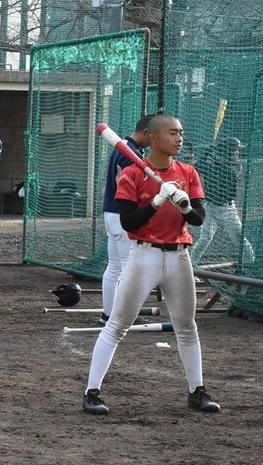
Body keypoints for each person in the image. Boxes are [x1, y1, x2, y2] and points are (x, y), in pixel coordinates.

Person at [82, 114, 220, 417]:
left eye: (181, 133)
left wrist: (184, 205)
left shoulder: (188, 172)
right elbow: (128, 221)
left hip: (179, 256)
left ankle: (197, 391)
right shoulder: (132, 174)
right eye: (173, 133)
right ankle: (91, 392)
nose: (179, 138)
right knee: (118, 324)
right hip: (143, 255)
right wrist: (157, 202)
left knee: (186, 325)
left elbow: (198, 219)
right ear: (153, 138)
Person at [100, 115, 154, 324]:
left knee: (114, 267)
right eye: (153, 137)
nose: (153, 142)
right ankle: (121, 317)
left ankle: (109, 313)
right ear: (145, 133)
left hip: (111, 213)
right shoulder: (129, 153)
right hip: (122, 214)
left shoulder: (124, 147)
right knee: (126, 269)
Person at [190, 136, 254, 266]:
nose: (238, 153)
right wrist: (207, 152)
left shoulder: (236, 166)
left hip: (228, 209)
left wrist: (216, 160)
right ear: (227, 152)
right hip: (209, 207)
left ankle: (252, 262)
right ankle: (192, 264)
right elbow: (195, 169)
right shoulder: (210, 165)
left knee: (238, 236)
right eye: (235, 150)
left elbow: (229, 173)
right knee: (205, 238)